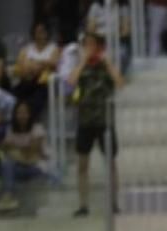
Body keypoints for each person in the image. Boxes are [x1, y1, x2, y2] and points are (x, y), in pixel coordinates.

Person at [68, 32, 123, 218]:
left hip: (104, 121)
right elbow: (70, 82)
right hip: (85, 121)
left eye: (92, 44)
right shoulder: (81, 66)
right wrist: (83, 61)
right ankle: (83, 205)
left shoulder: (105, 65)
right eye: (86, 44)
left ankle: (114, 203)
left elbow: (120, 83)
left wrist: (106, 62)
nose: (89, 48)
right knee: (82, 164)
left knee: (111, 164)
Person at [0, 101, 50, 214]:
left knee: (9, 164)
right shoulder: (11, 129)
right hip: (19, 168)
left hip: (37, 168)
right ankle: (8, 197)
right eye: (19, 112)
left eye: (25, 112)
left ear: (30, 114)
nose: (22, 115)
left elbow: (30, 154)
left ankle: (8, 196)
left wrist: (14, 149)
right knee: (6, 164)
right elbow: (3, 148)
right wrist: (16, 150)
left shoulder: (37, 128)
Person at [11, 21, 60, 117]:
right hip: (27, 80)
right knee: (13, 94)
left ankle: (29, 119)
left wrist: (35, 63)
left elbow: (54, 63)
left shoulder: (53, 48)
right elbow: (21, 65)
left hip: (43, 83)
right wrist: (41, 64)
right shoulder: (27, 48)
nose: (39, 35)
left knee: (36, 98)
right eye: (37, 32)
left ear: (47, 33)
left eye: (42, 32)